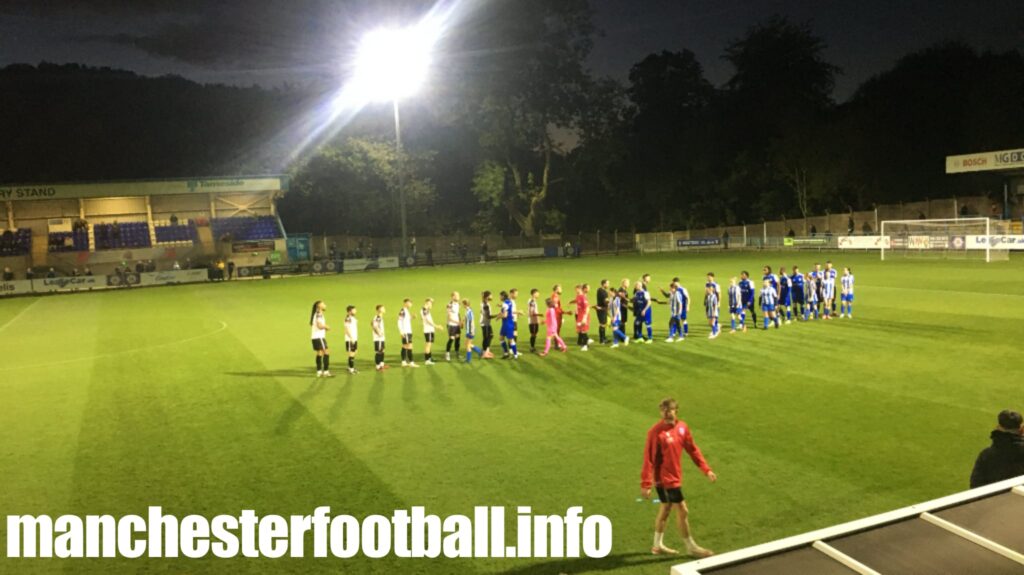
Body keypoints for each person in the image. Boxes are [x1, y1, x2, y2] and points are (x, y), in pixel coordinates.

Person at [640, 398, 716, 558]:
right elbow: (649, 458)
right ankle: (691, 547)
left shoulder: (682, 428)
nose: (666, 413)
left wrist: (706, 469)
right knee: (682, 510)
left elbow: (692, 449)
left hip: (674, 477)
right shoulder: (655, 432)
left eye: (669, 410)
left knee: (666, 508)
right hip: (665, 480)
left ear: (676, 411)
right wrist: (646, 483)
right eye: (663, 411)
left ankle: (657, 545)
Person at [970, 410, 1024, 488]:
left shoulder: (986, 455)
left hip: (992, 498)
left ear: (998, 427)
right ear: (1021, 429)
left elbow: (975, 484)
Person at [310, 300, 332, 378]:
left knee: (319, 353)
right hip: (319, 337)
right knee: (326, 352)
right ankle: (326, 371)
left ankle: (319, 371)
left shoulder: (317, 314)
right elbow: (319, 325)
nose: (325, 305)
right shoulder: (319, 314)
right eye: (323, 304)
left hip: (315, 337)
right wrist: (326, 327)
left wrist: (324, 327)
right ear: (319, 306)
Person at [499, 289, 521, 359]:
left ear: (502, 296)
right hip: (508, 322)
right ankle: (506, 353)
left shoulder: (505, 303)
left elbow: (505, 315)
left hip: (507, 323)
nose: (499, 297)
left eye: (500, 296)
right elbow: (510, 311)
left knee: (510, 339)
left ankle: (515, 355)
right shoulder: (509, 302)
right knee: (501, 338)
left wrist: (499, 316)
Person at [397, 298, 418, 368]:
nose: (411, 304)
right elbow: (399, 321)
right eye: (410, 303)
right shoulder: (402, 311)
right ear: (405, 303)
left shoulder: (407, 311)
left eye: (411, 303)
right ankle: (410, 362)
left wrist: (412, 317)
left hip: (408, 331)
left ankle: (405, 362)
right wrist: (401, 332)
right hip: (405, 332)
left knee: (406, 346)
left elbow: (406, 320)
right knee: (407, 346)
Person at [462, 298, 483, 362]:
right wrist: (463, 320)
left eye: (463, 304)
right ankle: (479, 351)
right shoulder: (468, 310)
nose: (462, 306)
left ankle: (468, 359)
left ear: (465, 304)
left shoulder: (469, 311)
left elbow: (470, 321)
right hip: (470, 330)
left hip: (470, 330)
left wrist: (470, 331)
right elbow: (467, 318)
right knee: (466, 343)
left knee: (467, 345)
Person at [575, 284, 593, 350]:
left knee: (583, 331)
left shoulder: (583, 297)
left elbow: (587, 308)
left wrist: (584, 318)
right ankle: (585, 343)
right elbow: (577, 303)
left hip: (584, 316)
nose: (576, 290)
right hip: (579, 315)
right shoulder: (578, 296)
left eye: (577, 289)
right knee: (580, 330)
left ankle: (585, 346)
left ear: (580, 289)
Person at [445, 291, 461, 362]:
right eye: (457, 295)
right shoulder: (449, 305)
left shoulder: (458, 304)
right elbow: (449, 317)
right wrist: (458, 322)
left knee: (457, 339)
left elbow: (458, 314)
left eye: (458, 295)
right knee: (451, 339)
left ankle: (457, 352)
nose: (458, 297)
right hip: (451, 325)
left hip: (457, 325)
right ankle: (447, 353)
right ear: (453, 297)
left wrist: (460, 322)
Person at [480, 291, 496, 359]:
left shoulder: (486, 303)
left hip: (487, 323)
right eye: (491, 295)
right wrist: (498, 315)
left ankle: (487, 351)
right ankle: (484, 353)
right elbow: (488, 316)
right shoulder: (485, 305)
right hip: (485, 323)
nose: (492, 297)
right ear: (487, 297)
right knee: (486, 338)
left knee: (490, 336)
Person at [372, 304, 388, 371]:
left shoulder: (380, 317)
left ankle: (382, 364)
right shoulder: (377, 317)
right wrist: (379, 334)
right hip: (378, 338)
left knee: (382, 350)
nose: (384, 309)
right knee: (378, 352)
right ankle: (378, 366)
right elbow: (374, 326)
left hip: (381, 338)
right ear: (379, 310)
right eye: (383, 308)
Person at [421, 298, 437, 365]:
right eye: (431, 303)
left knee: (429, 345)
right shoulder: (424, 310)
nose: (431, 305)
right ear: (427, 303)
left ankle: (429, 358)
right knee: (428, 345)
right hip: (428, 330)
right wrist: (436, 326)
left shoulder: (426, 310)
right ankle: (427, 360)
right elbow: (427, 320)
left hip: (430, 329)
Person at [704, 273, 720, 339]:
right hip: (710, 311)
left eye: (708, 289)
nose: (707, 290)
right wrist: (706, 312)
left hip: (713, 311)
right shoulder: (708, 296)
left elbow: (714, 306)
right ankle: (716, 329)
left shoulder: (714, 296)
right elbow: (707, 305)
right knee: (710, 323)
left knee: (713, 322)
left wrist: (714, 313)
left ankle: (714, 333)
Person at [344, 305, 359, 374]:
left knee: (354, 352)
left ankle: (350, 367)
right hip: (350, 339)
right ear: (350, 311)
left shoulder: (352, 318)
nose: (355, 311)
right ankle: (351, 369)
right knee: (351, 354)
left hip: (354, 338)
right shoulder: (348, 318)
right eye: (354, 310)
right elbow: (346, 329)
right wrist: (351, 338)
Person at [596, 279, 610, 344]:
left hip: (602, 308)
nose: (608, 285)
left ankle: (603, 338)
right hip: (602, 309)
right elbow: (605, 301)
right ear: (604, 284)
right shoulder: (602, 292)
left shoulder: (600, 290)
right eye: (607, 283)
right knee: (602, 324)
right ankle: (602, 340)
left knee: (603, 324)